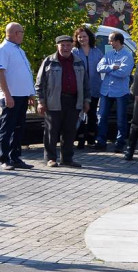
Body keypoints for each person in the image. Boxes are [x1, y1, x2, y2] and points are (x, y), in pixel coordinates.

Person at [35, 35, 88, 168]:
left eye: (68, 45)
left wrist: (86, 100)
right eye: (62, 45)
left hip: (74, 101)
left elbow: (86, 84)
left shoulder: (78, 61)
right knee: (51, 131)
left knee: (70, 131)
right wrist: (41, 102)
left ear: (72, 46)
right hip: (54, 101)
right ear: (57, 46)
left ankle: (67, 159)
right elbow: (39, 84)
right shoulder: (49, 61)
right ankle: (51, 158)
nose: (65, 48)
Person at [0, 22, 36, 171]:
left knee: (19, 128)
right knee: (7, 128)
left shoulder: (19, 50)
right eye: (22, 32)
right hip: (11, 96)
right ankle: (4, 159)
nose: (23, 35)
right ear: (15, 33)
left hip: (22, 96)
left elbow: (24, 73)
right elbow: (1, 73)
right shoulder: (4, 49)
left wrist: (30, 93)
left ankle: (15, 157)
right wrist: (7, 95)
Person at [95, 32, 134, 153]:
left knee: (121, 118)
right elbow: (99, 67)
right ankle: (101, 141)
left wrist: (108, 71)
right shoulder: (108, 54)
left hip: (120, 92)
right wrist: (112, 67)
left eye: (111, 40)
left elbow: (123, 73)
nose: (109, 43)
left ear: (117, 41)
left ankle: (120, 143)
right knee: (102, 117)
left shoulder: (127, 56)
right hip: (106, 90)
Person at [73, 26, 103, 150]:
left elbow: (103, 66)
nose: (82, 39)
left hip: (94, 87)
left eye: (84, 36)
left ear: (89, 37)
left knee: (92, 114)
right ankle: (79, 139)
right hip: (78, 88)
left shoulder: (96, 52)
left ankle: (91, 139)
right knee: (79, 114)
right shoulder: (74, 52)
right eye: (80, 37)